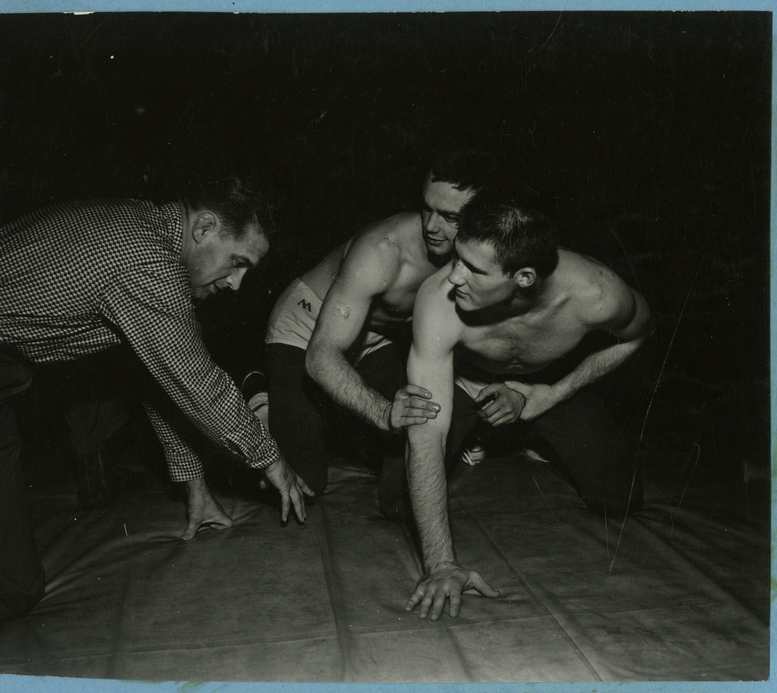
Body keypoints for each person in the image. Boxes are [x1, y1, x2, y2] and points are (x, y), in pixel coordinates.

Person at [0, 177, 312, 619]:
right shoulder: (147, 262)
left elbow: (156, 377)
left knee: (10, 585)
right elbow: (196, 381)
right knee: (10, 589)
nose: (237, 283)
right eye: (238, 262)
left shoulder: (143, 225)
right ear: (204, 228)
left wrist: (194, 485)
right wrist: (271, 460)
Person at [403, 190, 653, 620]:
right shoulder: (437, 300)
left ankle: (530, 434)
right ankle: (477, 438)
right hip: (465, 381)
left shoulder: (597, 292)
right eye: (456, 259)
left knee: (621, 498)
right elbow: (426, 427)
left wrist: (553, 394)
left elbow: (639, 335)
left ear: (523, 277)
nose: (453, 277)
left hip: (545, 383)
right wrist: (441, 563)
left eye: (473, 269)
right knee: (396, 500)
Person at [265, 148, 496, 511]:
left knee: (398, 498)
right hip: (306, 332)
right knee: (305, 482)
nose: (432, 226)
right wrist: (382, 412)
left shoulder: (489, 251)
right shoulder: (382, 250)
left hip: (373, 340)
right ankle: (258, 392)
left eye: (449, 216)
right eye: (427, 208)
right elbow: (321, 355)